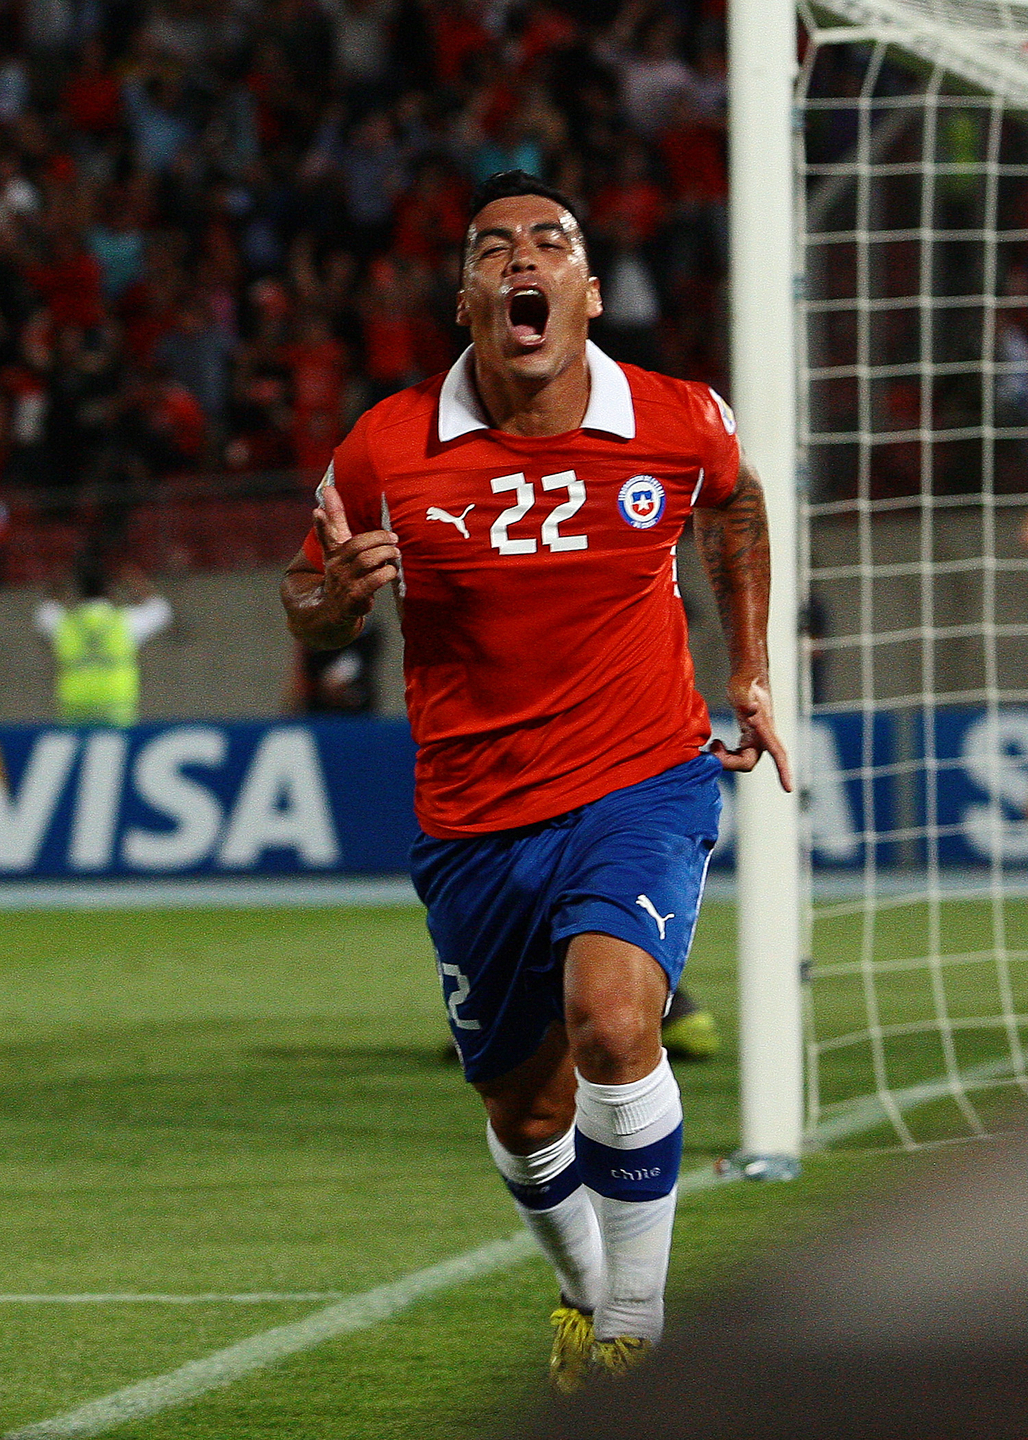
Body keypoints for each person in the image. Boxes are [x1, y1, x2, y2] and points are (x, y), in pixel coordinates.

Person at [280, 170, 791, 1392]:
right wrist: (332, 603)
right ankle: (579, 1290)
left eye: (549, 242)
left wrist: (754, 675)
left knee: (617, 1027)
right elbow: (302, 597)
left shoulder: (676, 417)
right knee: (522, 1114)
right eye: (493, 248)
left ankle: (635, 1335)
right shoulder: (388, 443)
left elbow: (734, 509)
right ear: (467, 300)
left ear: (586, 293)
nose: (523, 259)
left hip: (641, 775)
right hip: (474, 816)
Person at [35, 556, 172, 725]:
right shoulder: (125, 622)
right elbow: (161, 611)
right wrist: (135, 580)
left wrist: (58, 581)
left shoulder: (64, 624)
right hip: (116, 707)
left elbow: (45, 611)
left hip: (74, 707)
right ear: (110, 591)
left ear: (77, 592)